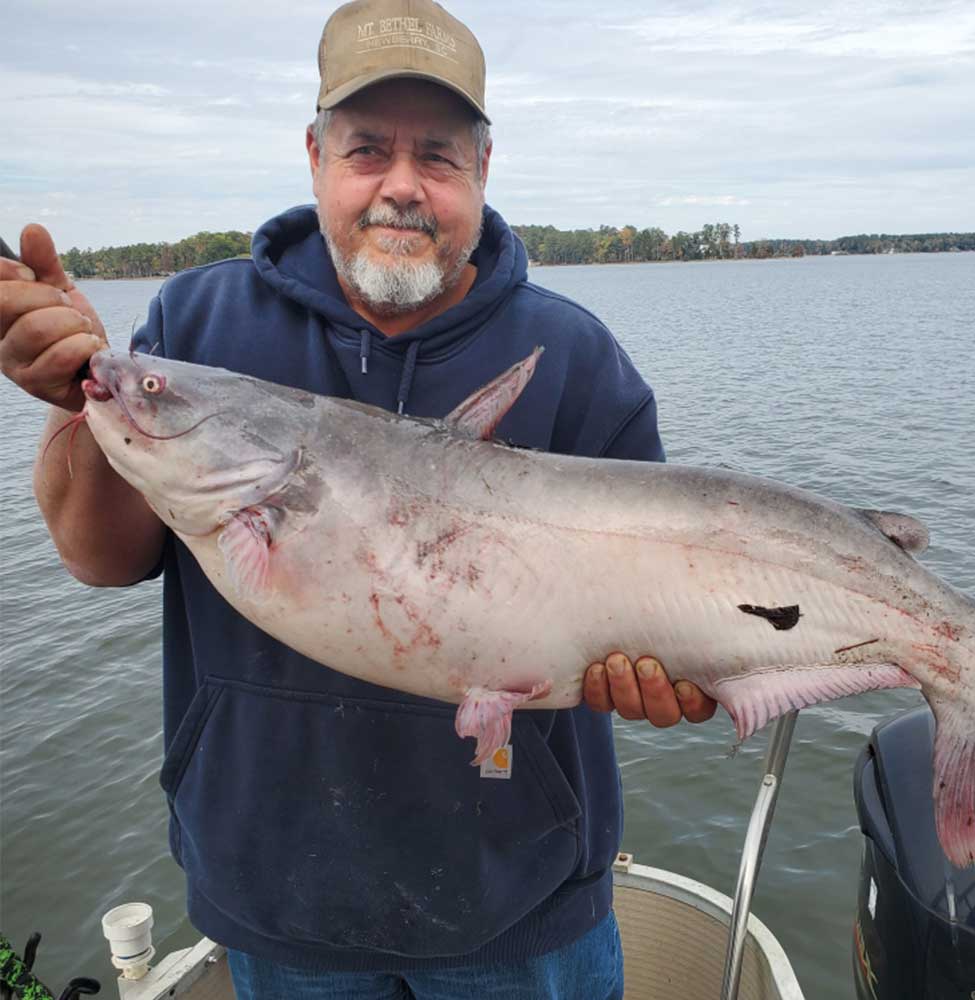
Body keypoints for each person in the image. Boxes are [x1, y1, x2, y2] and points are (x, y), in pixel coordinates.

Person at [0, 1, 717, 997]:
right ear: (314, 157)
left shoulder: (579, 357)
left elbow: (665, 613)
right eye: (367, 148)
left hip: (520, 899)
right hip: (275, 893)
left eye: (438, 155)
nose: (401, 185)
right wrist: (79, 398)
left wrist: (679, 674)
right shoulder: (195, 324)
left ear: (483, 168)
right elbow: (99, 558)